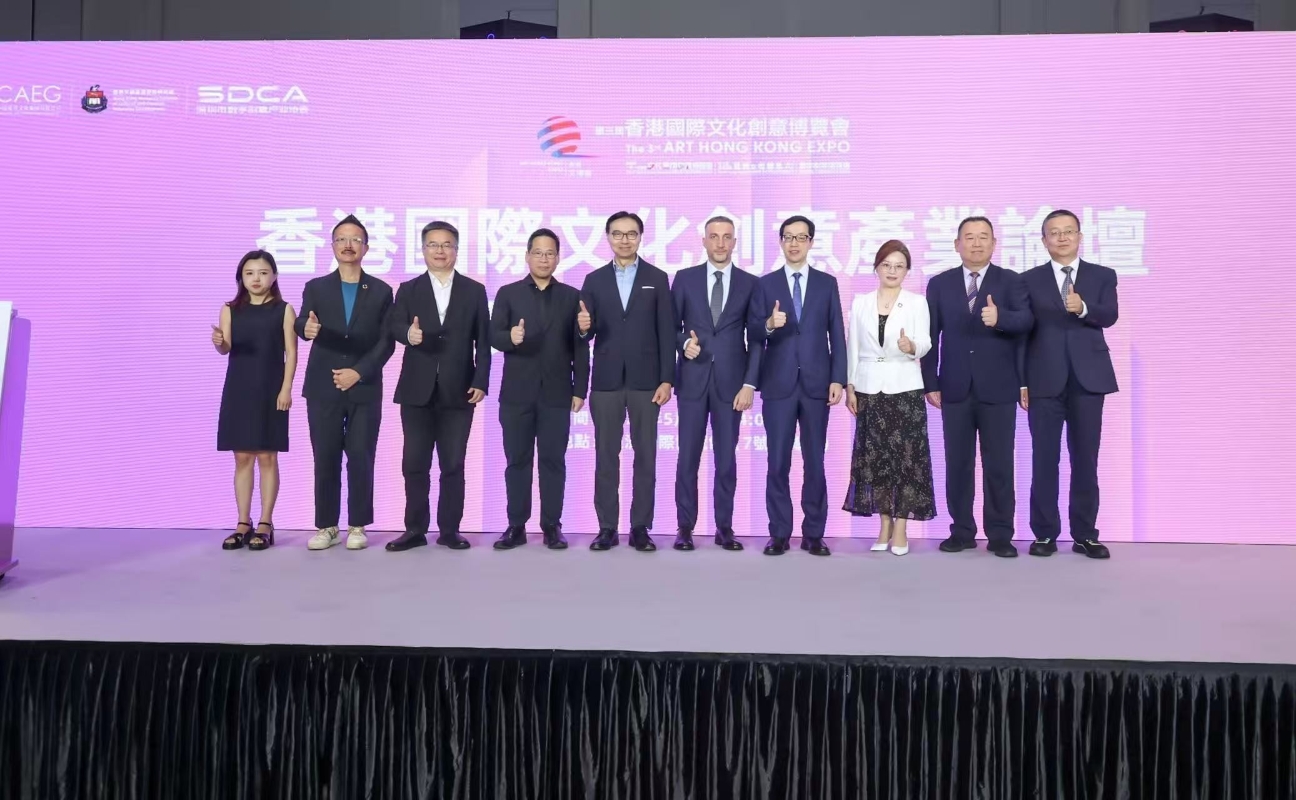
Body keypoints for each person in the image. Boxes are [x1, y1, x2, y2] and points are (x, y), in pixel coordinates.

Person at [922, 217, 1033, 557]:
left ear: (994, 243)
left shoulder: (1011, 281)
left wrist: (1001, 320)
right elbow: (930, 336)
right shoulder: (939, 284)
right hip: (954, 386)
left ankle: (1000, 534)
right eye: (969, 237)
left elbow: (1027, 322)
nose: (976, 243)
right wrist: (930, 382)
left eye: (983, 237)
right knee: (958, 463)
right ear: (957, 245)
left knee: (999, 464)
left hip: (999, 387)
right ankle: (961, 530)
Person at [385, 221, 491, 552]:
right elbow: (394, 325)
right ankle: (414, 529)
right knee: (414, 463)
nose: (440, 251)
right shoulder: (408, 289)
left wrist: (481, 380)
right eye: (433, 244)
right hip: (416, 390)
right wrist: (408, 334)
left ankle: (450, 530)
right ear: (423, 250)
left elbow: (483, 341)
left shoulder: (474, 290)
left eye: (446, 245)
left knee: (453, 464)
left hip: (460, 390)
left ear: (456, 250)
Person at [1019, 209, 1119, 559]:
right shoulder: (1028, 280)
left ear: (1080, 236)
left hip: (1088, 380)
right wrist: (1022, 382)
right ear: (1043, 240)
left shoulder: (1103, 275)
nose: (1061, 238)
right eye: (1054, 232)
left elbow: (1110, 315)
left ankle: (1086, 534)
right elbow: (1023, 334)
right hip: (1043, 380)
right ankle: (1045, 534)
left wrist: (1084, 307)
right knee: (1044, 459)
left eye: (1068, 231)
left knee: (1085, 460)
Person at [296, 215, 395, 551]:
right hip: (323, 384)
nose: (348, 245)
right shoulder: (316, 287)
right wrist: (305, 328)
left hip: (364, 385)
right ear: (332, 245)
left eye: (355, 240)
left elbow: (387, 341)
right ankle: (327, 526)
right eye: (341, 239)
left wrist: (359, 372)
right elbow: (302, 321)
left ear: (366, 247)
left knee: (360, 454)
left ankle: (357, 525)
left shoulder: (381, 290)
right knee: (325, 455)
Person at [751, 215, 847, 557]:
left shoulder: (826, 283)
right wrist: (768, 324)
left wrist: (838, 378)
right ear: (780, 242)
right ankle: (779, 533)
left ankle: (814, 533)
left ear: (811, 242)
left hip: (816, 384)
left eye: (801, 237)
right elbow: (753, 333)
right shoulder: (765, 284)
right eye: (788, 237)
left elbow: (836, 333)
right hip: (778, 385)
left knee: (814, 462)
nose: (794, 243)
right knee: (777, 461)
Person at [579, 211, 675, 553]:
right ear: (608, 237)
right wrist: (583, 327)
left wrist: (667, 379)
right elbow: (586, 331)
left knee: (645, 455)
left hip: (646, 382)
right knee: (606, 455)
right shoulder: (593, 280)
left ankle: (640, 527)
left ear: (640, 237)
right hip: (606, 381)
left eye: (631, 234)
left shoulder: (657, 278)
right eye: (617, 234)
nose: (624, 239)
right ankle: (607, 527)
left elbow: (667, 332)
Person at [490, 228, 589, 551]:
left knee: (553, 461)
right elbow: (493, 335)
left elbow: (580, 347)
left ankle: (552, 525)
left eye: (550, 254)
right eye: (538, 253)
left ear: (558, 258)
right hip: (516, 393)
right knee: (517, 460)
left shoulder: (571, 296)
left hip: (557, 393)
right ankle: (516, 525)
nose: (544, 259)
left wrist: (580, 389)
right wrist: (510, 338)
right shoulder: (508, 293)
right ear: (527, 256)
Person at [670, 216, 760, 552]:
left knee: (726, 460)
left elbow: (757, 338)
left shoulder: (750, 283)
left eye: (726, 237)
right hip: (692, 381)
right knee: (687, 458)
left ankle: (725, 527)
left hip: (731, 386)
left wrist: (749, 383)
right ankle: (684, 528)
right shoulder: (685, 279)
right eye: (714, 236)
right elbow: (669, 326)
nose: (720, 243)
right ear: (704, 241)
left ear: (734, 242)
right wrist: (683, 343)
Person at [843, 241, 936, 556]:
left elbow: (926, 341)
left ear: (907, 271)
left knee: (906, 461)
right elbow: (853, 346)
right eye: (887, 265)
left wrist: (912, 347)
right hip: (870, 388)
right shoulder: (861, 303)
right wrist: (851, 385)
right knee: (876, 460)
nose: (892, 271)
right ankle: (883, 524)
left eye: (899, 266)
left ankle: (901, 527)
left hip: (905, 388)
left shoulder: (917, 303)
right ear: (877, 268)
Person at [214, 250, 297, 551]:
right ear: (241, 277)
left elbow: (291, 353)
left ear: (274, 276)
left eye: (263, 272)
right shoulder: (230, 309)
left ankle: (265, 523)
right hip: (239, 389)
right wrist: (219, 342)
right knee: (242, 457)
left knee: (267, 457)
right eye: (249, 273)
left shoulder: (284, 310)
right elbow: (226, 348)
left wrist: (286, 389)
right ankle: (242, 523)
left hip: (271, 389)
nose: (256, 279)